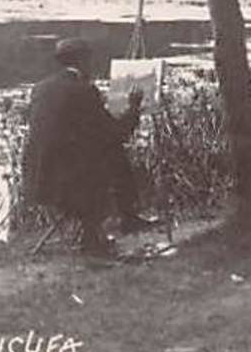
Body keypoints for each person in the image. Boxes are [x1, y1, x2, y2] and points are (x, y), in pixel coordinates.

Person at [22, 38, 160, 256]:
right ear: (82, 61)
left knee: (107, 152)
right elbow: (116, 133)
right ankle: (101, 232)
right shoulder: (84, 91)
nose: (92, 65)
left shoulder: (41, 88)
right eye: (90, 60)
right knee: (113, 152)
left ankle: (122, 220)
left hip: (36, 177)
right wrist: (133, 107)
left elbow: (69, 128)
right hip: (66, 182)